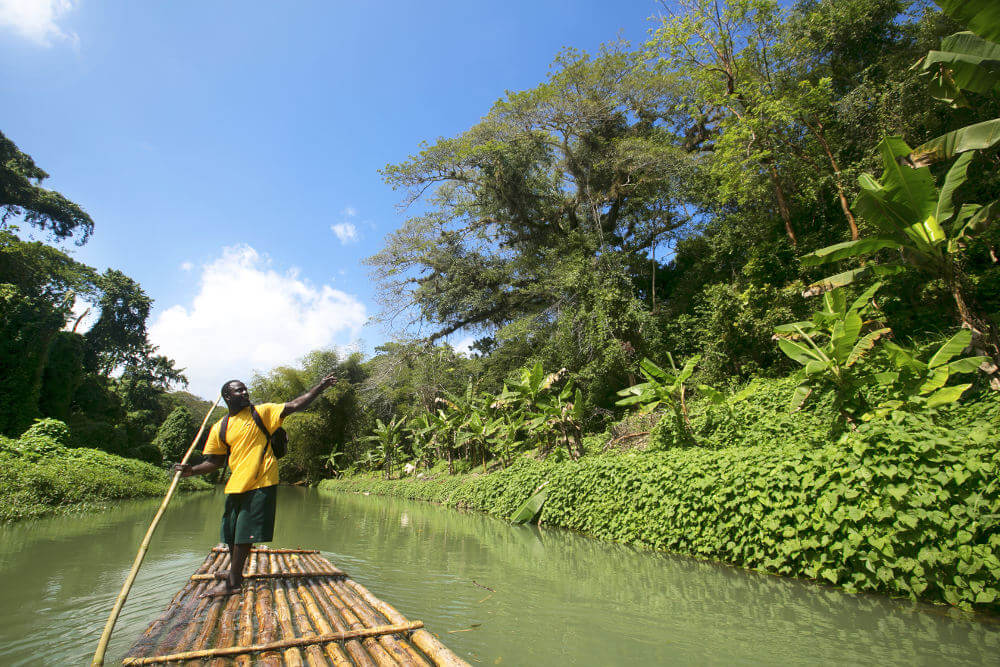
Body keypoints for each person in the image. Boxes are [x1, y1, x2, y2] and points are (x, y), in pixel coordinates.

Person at [172, 373, 338, 597]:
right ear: (227, 397)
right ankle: (235, 574)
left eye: (244, 389)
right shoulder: (220, 426)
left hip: (262, 481)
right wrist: (191, 471)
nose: (245, 393)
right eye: (238, 391)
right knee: (230, 533)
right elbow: (213, 462)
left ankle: (233, 584)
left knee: (243, 534)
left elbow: (296, 404)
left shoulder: (262, 412)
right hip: (235, 484)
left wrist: (320, 387)